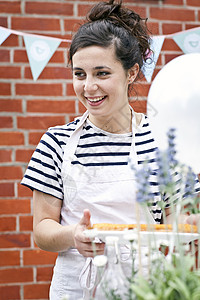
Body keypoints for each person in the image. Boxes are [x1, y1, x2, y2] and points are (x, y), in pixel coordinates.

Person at [21, 0, 200, 299]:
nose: (88, 87)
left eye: (102, 73)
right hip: (77, 288)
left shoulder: (163, 140)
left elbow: (174, 220)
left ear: (131, 73)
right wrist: (73, 235)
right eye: (80, 74)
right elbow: (43, 231)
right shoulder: (56, 142)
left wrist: (189, 221)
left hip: (147, 288)